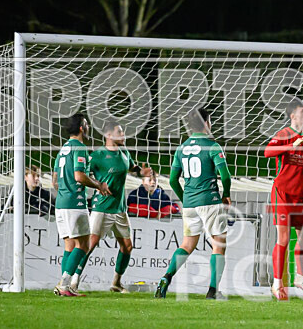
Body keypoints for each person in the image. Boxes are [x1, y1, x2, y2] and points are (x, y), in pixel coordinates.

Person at [155, 108, 231, 299]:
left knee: (187, 244)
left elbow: (173, 180)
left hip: (189, 204)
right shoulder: (212, 146)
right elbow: (226, 176)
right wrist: (226, 194)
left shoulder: (181, 148)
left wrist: (185, 198)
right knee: (218, 244)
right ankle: (213, 291)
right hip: (209, 201)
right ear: (206, 123)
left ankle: (166, 277)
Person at [69, 120, 152, 293]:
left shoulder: (124, 152)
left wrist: (140, 172)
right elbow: (83, 174)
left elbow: (131, 167)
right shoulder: (98, 155)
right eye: (119, 132)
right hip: (102, 207)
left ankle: (116, 282)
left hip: (120, 208)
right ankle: (74, 280)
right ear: (108, 135)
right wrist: (98, 184)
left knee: (127, 246)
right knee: (89, 245)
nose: (123, 136)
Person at [264, 98, 303, 300]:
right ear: (293, 116)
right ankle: (277, 283)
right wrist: (291, 145)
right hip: (282, 194)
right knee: (283, 239)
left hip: (301, 196)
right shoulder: (283, 134)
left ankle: (300, 278)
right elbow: (267, 152)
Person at [52, 113, 111, 297]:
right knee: (84, 244)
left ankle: (65, 286)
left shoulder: (62, 149)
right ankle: (64, 284)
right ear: (80, 128)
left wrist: (65, 188)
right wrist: (98, 185)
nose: (88, 127)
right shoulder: (80, 148)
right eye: (85, 123)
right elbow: (79, 176)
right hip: (74, 203)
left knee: (70, 246)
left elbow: (55, 180)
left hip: (61, 203)